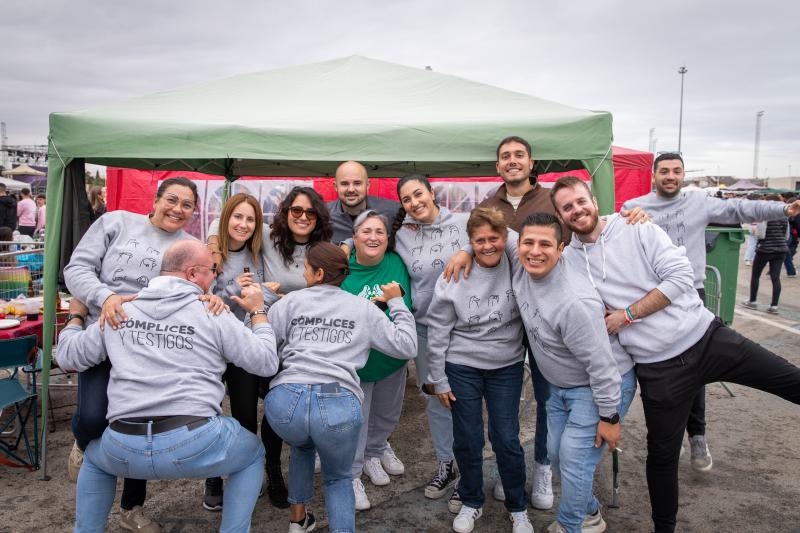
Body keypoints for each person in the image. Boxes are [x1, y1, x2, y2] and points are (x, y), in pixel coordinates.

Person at [551, 175, 800, 533]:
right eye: (567, 207)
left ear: (593, 199)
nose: (577, 210)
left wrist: (628, 315)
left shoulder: (635, 227)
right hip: (659, 369)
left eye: (580, 201)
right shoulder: (570, 260)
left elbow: (681, 278)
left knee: (788, 379)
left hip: (706, 339)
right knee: (662, 458)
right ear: (560, 216)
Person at [56, 240, 279, 533]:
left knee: (95, 459)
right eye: (212, 270)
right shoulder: (212, 313)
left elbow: (67, 356)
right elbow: (266, 362)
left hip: (125, 443)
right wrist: (258, 313)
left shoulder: (121, 310)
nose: (215, 276)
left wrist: (75, 316)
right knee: (252, 453)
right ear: (192, 274)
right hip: (195, 442)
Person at [63, 177, 225, 533]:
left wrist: (211, 297)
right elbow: (75, 270)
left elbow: (201, 284)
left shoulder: (190, 245)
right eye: (171, 199)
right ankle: (81, 442)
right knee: (92, 419)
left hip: (152, 346)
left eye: (186, 205)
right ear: (155, 199)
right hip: (104, 333)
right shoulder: (115, 222)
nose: (177, 209)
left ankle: (131, 507)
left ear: (194, 212)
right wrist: (105, 297)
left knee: (141, 422)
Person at [621, 153, 798, 470]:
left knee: (697, 369)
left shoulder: (698, 202)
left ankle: (697, 435)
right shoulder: (635, 206)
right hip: (652, 298)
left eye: (676, 171)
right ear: (654, 175)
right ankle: (668, 436)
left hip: (692, 294)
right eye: (664, 171)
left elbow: (740, 209)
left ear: (683, 174)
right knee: (658, 370)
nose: (670, 176)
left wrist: (783, 209)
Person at [265, 242, 417, 533]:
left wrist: (263, 303)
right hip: (337, 406)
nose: (304, 273)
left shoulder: (291, 302)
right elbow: (406, 345)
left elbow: (262, 344)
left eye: (306, 268)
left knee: (301, 444)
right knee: (337, 477)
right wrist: (397, 302)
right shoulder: (363, 308)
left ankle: (297, 521)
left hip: (286, 403)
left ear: (319, 273)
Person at [206, 185, 333, 509]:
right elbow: (232, 220)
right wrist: (213, 244)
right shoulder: (266, 236)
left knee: (275, 410)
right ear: (285, 212)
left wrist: (272, 294)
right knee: (231, 410)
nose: (303, 217)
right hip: (245, 336)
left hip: (285, 341)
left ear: (318, 216)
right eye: (296, 210)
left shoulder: (323, 248)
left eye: (310, 212)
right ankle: (224, 473)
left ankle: (272, 469)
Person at [426, 208, 533, 533]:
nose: (488, 246)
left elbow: (517, 237)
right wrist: (437, 378)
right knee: (468, 438)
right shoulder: (455, 273)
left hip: (506, 366)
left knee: (505, 438)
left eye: (494, 239)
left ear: (504, 239)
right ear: (470, 241)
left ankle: (518, 507)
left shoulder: (517, 263)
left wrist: (468, 247)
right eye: (479, 241)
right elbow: (438, 328)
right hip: (462, 366)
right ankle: (472, 501)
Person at [476, 136, 566, 507]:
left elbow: (580, 234)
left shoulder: (551, 201)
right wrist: (464, 254)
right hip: (503, 321)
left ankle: (543, 467)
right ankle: (507, 467)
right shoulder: (487, 204)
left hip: (545, 316)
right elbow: (476, 239)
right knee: (504, 403)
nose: (512, 161)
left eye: (519, 155)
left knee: (547, 397)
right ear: (497, 166)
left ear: (531, 163)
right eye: (505, 157)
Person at [387, 174, 470, 507]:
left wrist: (466, 250)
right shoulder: (402, 234)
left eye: (418, 194)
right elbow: (370, 240)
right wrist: (349, 244)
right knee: (436, 400)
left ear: (432, 193)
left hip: (465, 329)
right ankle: (445, 464)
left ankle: (470, 470)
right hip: (424, 328)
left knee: (466, 401)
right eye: (406, 199)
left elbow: (498, 237)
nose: (414, 202)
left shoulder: (464, 223)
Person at [202, 193, 282, 512]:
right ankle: (212, 477)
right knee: (208, 415)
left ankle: (243, 472)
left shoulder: (257, 254)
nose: (244, 224)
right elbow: (199, 298)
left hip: (242, 345)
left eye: (251, 219)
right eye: (238, 217)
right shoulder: (207, 252)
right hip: (208, 348)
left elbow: (263, 301)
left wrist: (260, 291)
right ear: (225, 219)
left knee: (246, 416)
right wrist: (237, 289)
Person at [339, 210, 413, 511]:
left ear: (387, 238)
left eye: (379, 232)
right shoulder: (342, 268)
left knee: (387, 414)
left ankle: (375, 452)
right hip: (357, 365)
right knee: (356, 422)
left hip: (391, 361)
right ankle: (352, 474)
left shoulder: (395, 261)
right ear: (353, 238)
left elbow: (404, 304)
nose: (373, 237)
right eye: (366, 231)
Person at [327, 160, 400, 244]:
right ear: (335, 186)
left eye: (357, 183)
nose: (351, 189)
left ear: (367, 185)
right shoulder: (323, 215)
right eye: (344, 184)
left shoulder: (391, 211)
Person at [743, 197, 789, 314]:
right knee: (775, 277)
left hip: (765, 249)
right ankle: (774, 306)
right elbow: (786, 235)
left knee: (756, 275)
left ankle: (752, 301)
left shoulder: (766, 215)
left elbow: (760, 234)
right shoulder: (784, 215)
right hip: (781, 249)